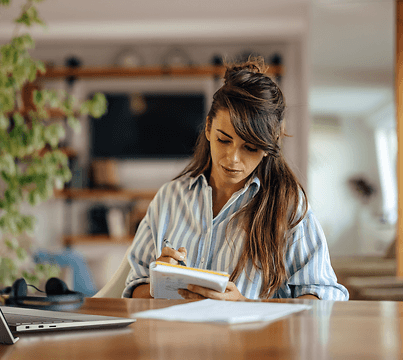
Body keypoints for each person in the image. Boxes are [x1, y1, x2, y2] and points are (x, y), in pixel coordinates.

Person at [123, 57, 349, 301]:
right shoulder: (169, 197)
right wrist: (160, 283)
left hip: (254, 340)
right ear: (208, 128)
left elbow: (323, 300)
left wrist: (246, 306)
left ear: (268, 147)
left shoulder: (289, 207)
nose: (233, 159)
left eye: (250, 148)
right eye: (223, 140)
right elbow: (133, 288)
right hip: (175, 337)